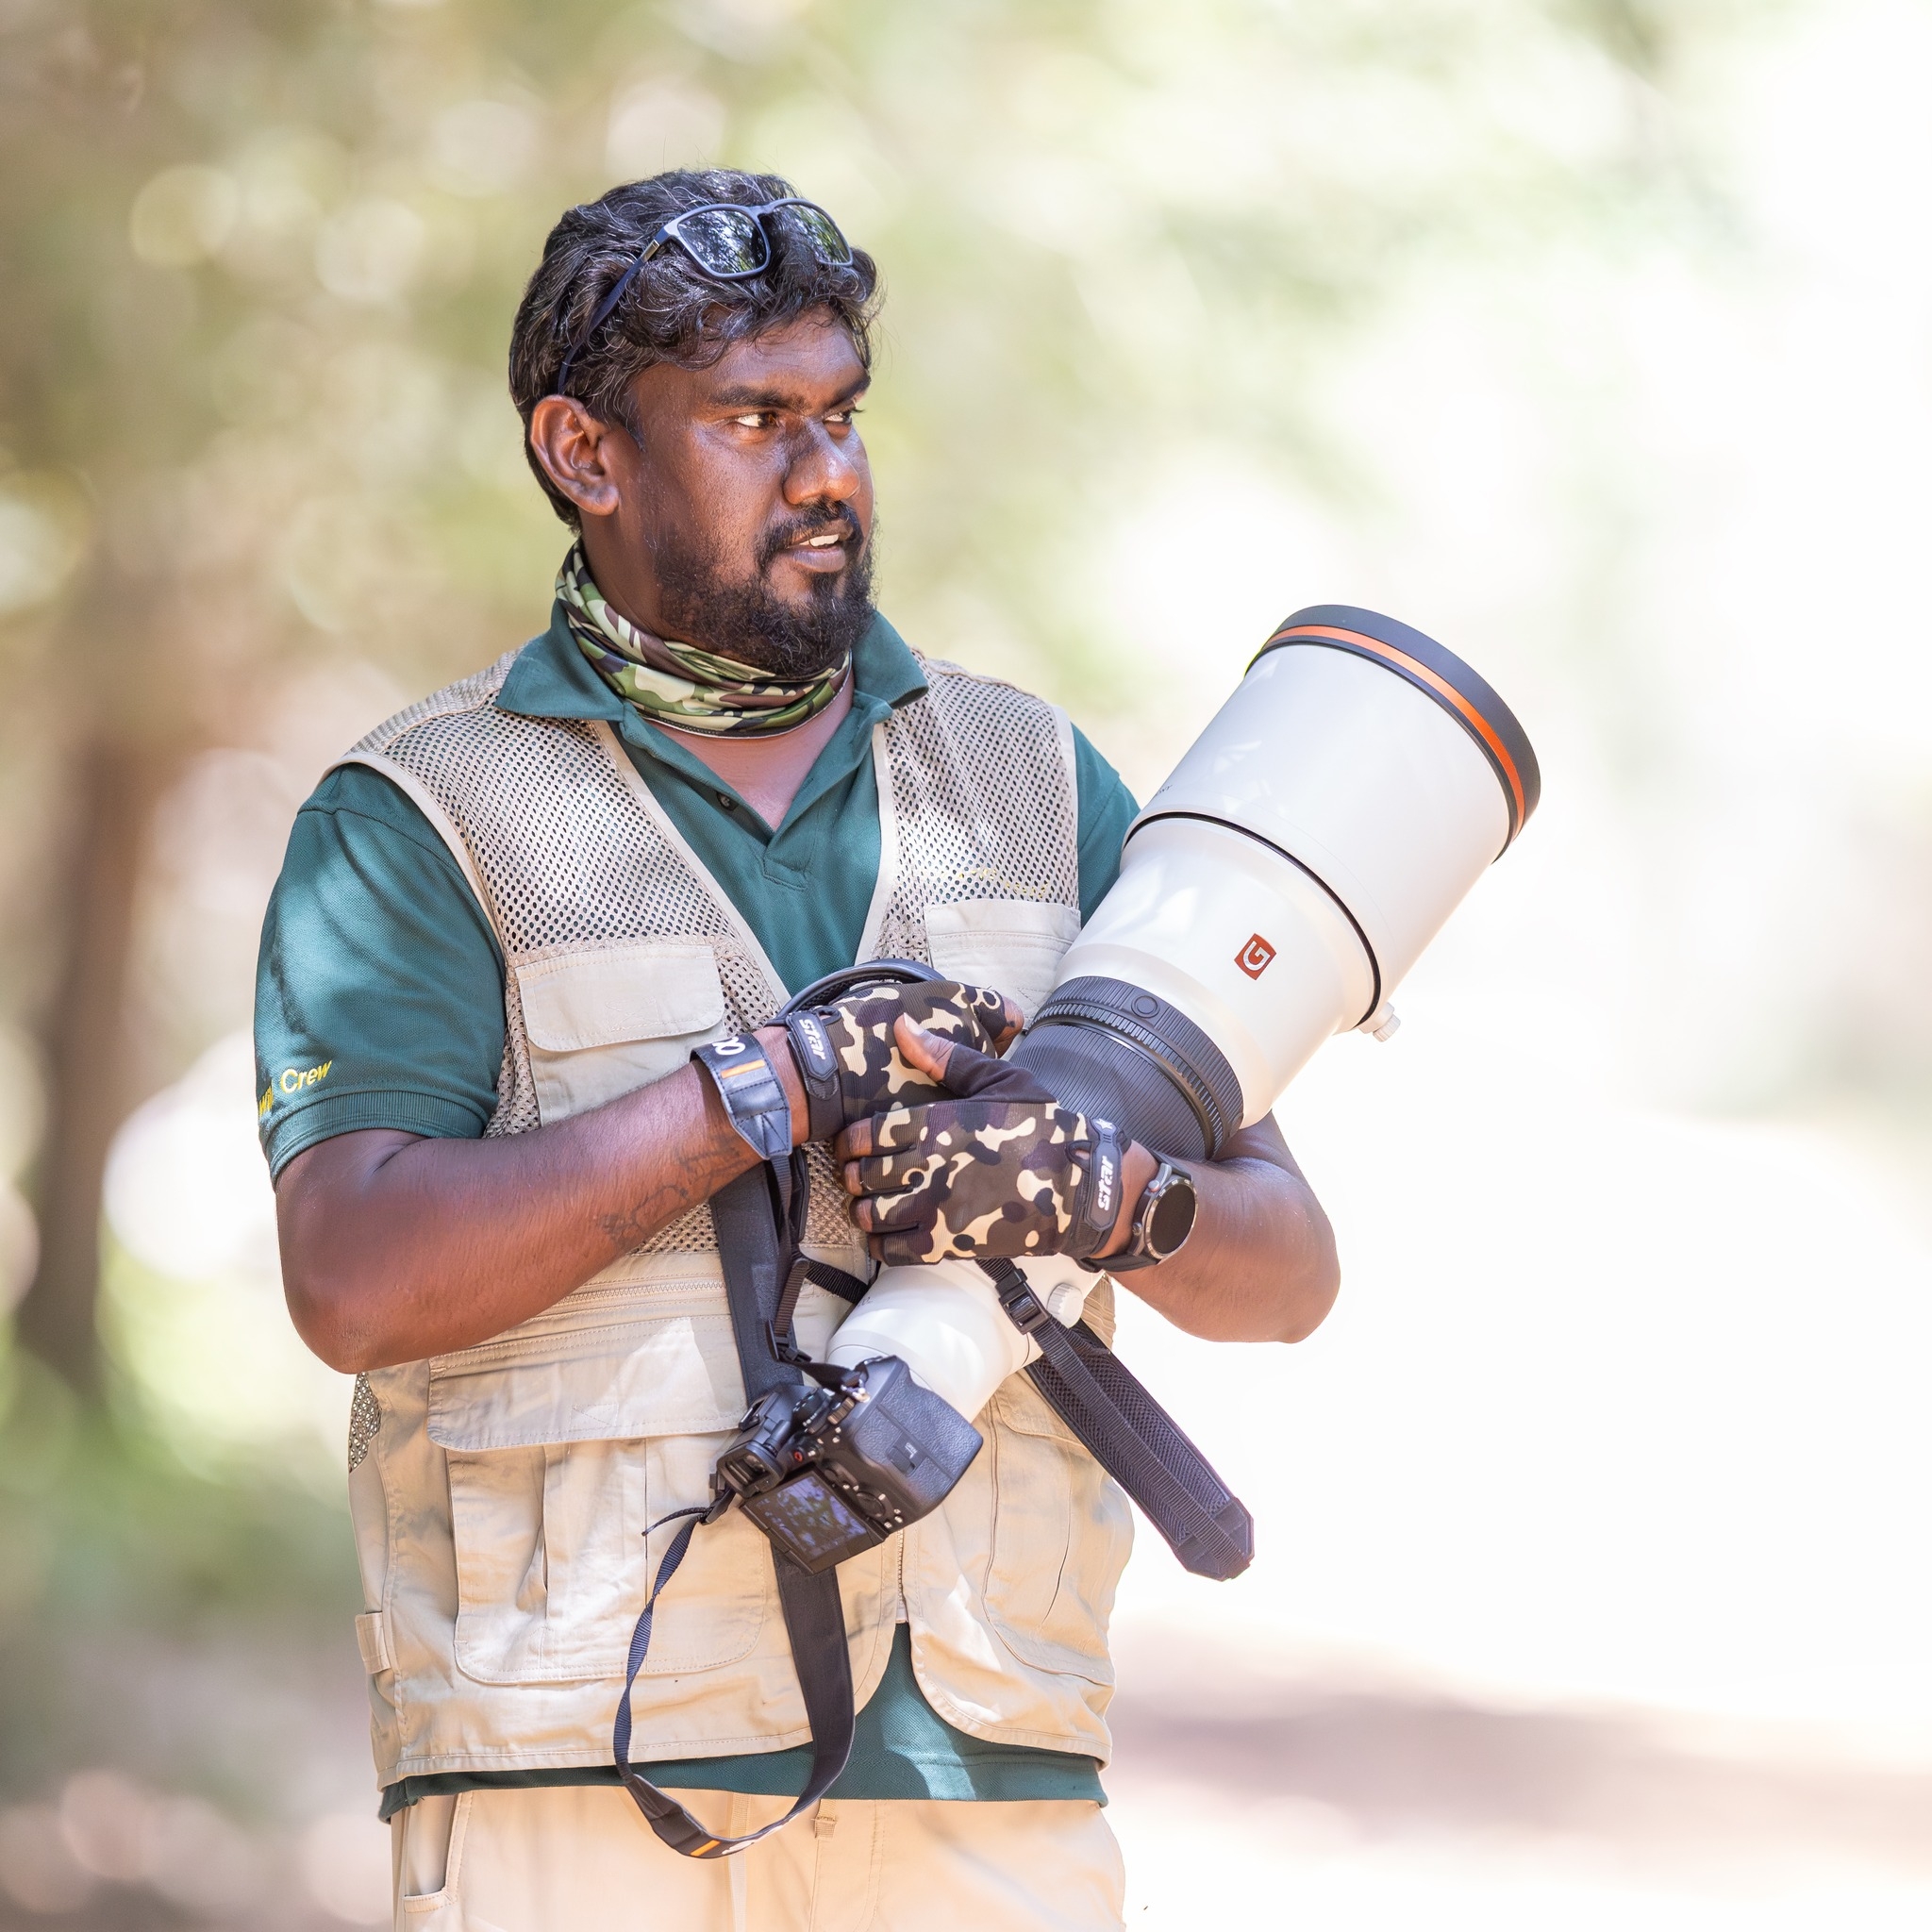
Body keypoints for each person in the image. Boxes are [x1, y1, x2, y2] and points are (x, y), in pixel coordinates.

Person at [256, 169, 1340, 1932]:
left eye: (839, 414)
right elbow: (354, 1280)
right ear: (584, 453)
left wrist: (1115, 1193)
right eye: (756, 420)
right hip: (573, 1776)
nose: (827, 471)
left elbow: (1287, 1269)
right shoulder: (416, 820)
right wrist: (749, 1097)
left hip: (988, 1771)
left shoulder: (1037, 783)